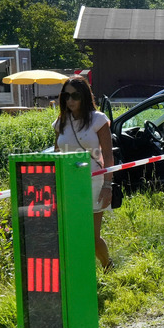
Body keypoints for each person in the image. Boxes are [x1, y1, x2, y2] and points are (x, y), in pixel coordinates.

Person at [53, 74, 114, 270]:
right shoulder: (61, 122)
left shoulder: (98, 120)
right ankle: (80, 272)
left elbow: (108, 156)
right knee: (73, 233)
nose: (70, 100)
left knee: (91, 236)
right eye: (66, 96)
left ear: (85, 96)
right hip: (68, 183)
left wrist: (107, 185)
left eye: (75, 96)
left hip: (94, 181)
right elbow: (56, 154)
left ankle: (107, 265)